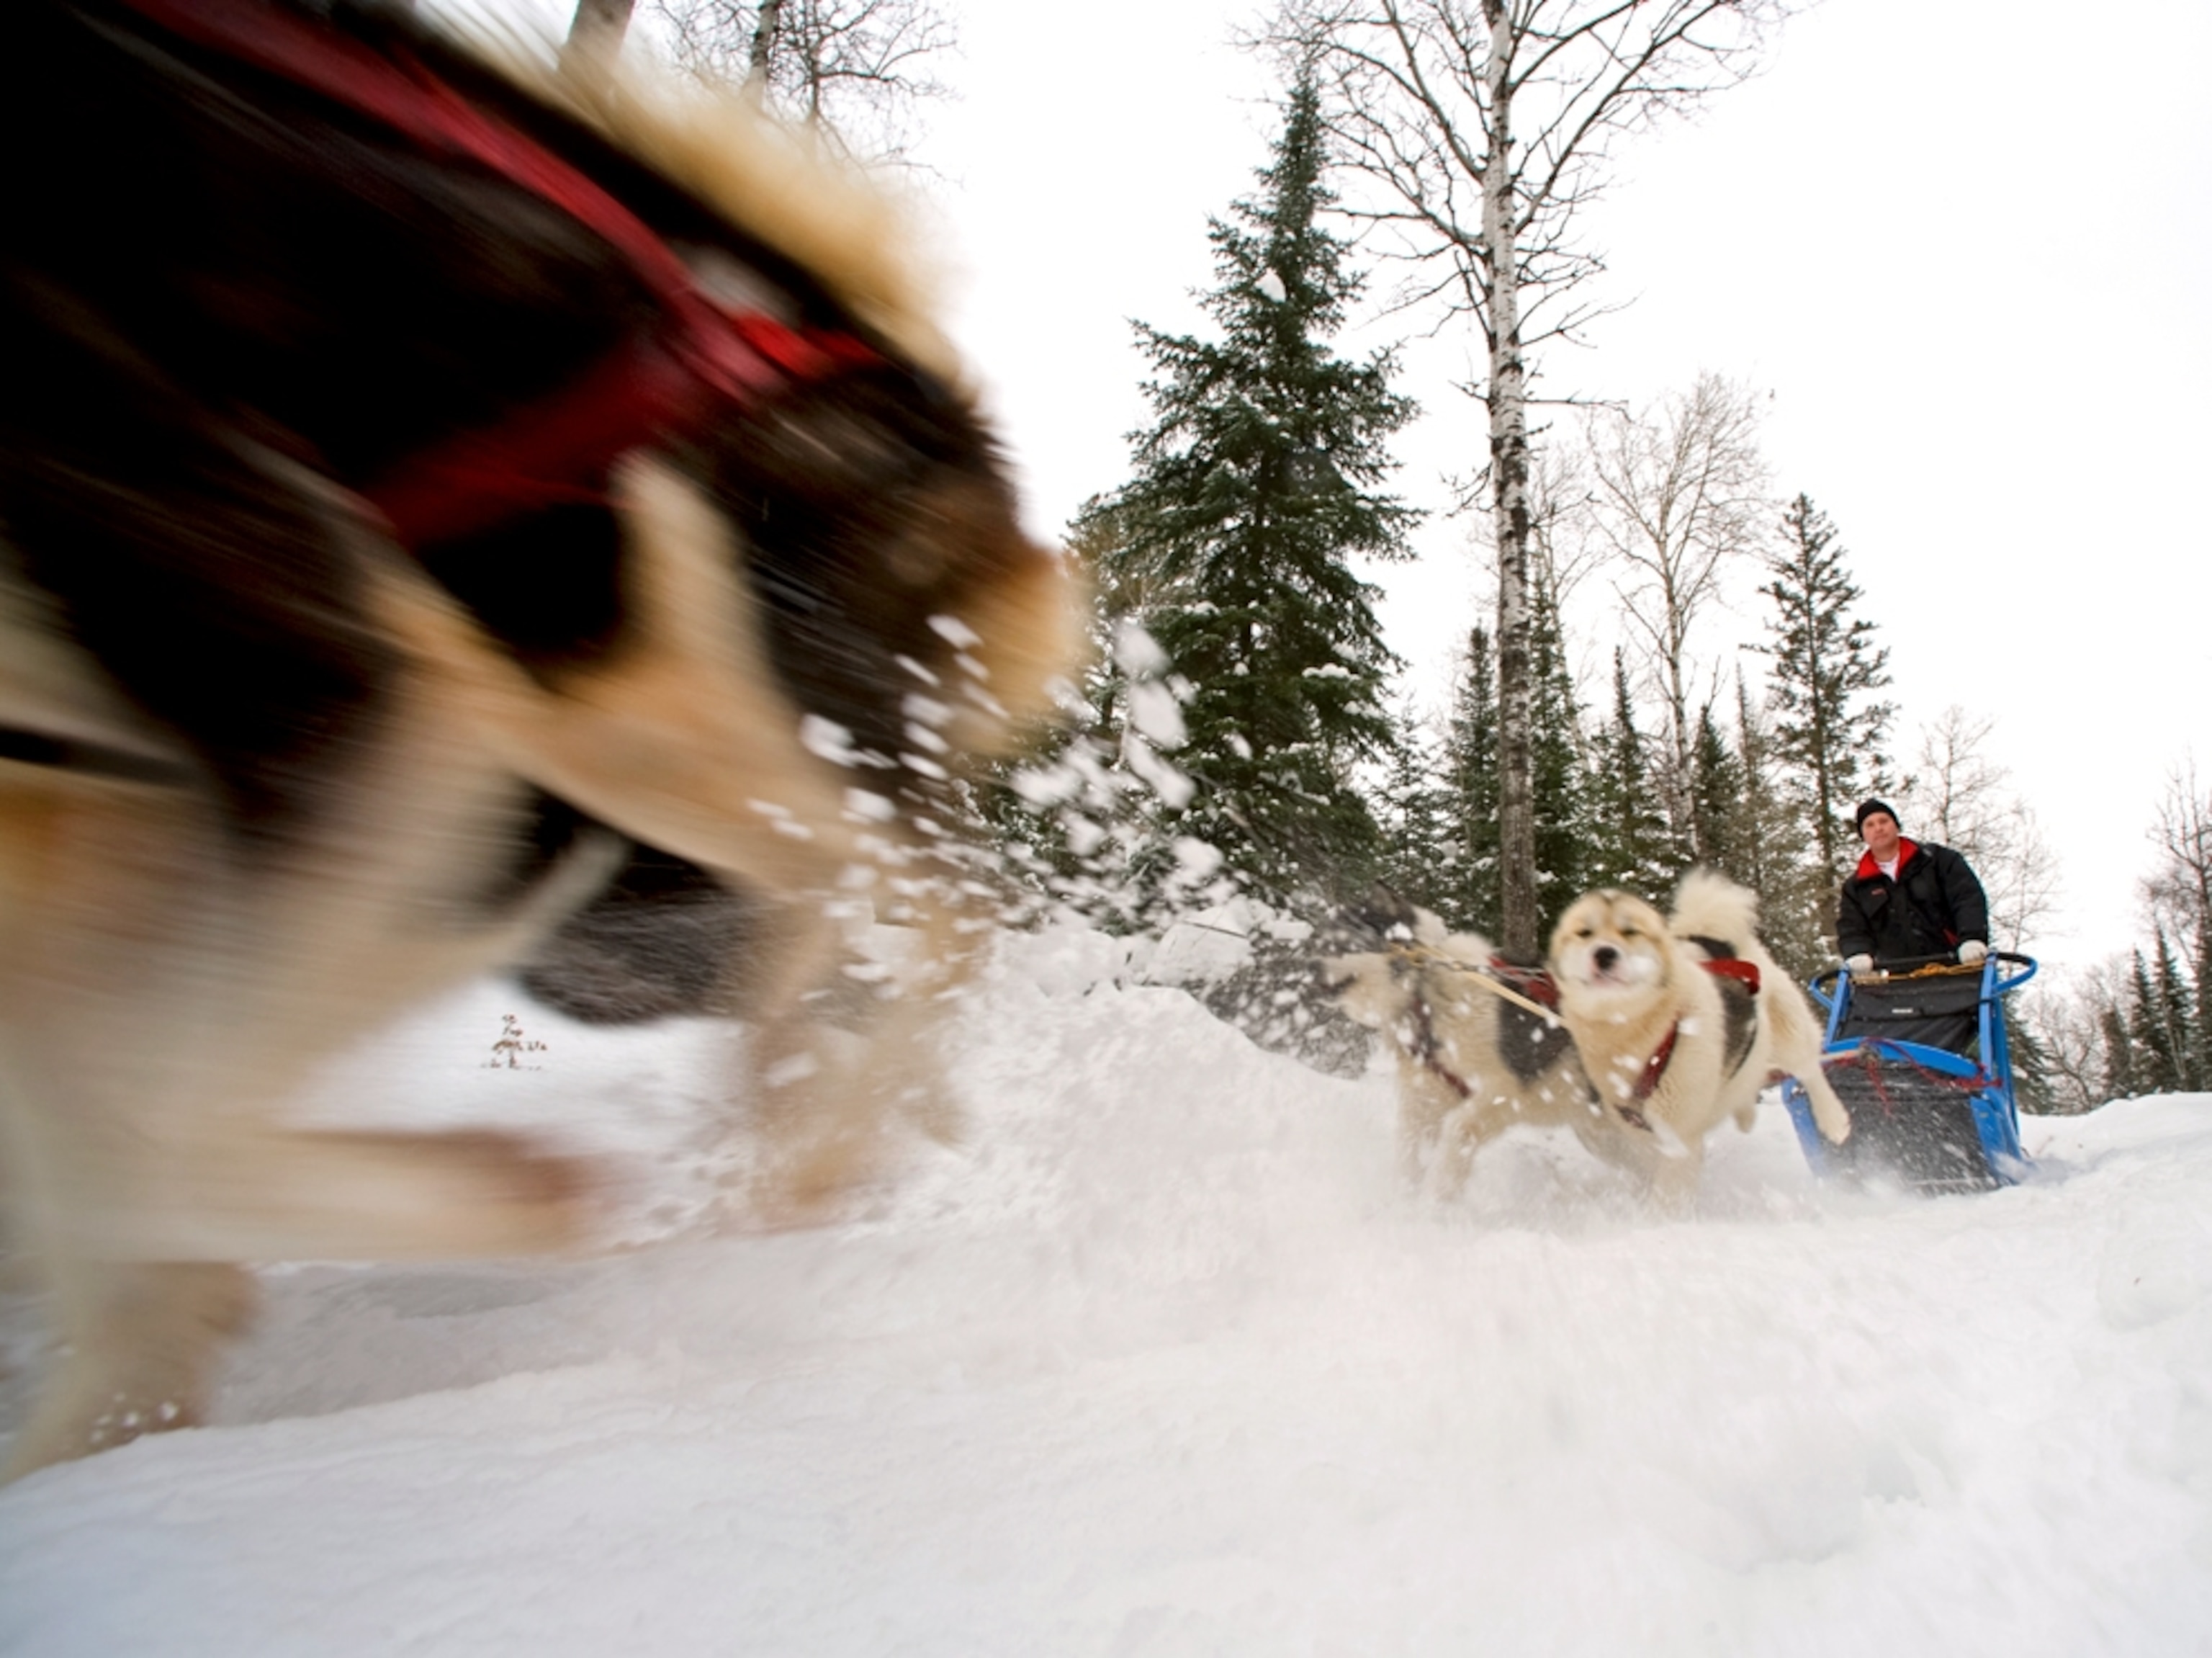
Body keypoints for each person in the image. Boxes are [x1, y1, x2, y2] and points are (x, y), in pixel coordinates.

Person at [1837, 799, 1990, 973]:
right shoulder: (1857, 887)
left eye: (1883, 821)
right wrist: (1857, 952)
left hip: (1958, 966)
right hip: (1901, 979)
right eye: (1870, 825)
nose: (1878, 828)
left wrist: (1972, 938)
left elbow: (1967, 898)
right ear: (1863, 835)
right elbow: (1852, 927)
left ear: (1896, 826)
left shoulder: (1937, 860)